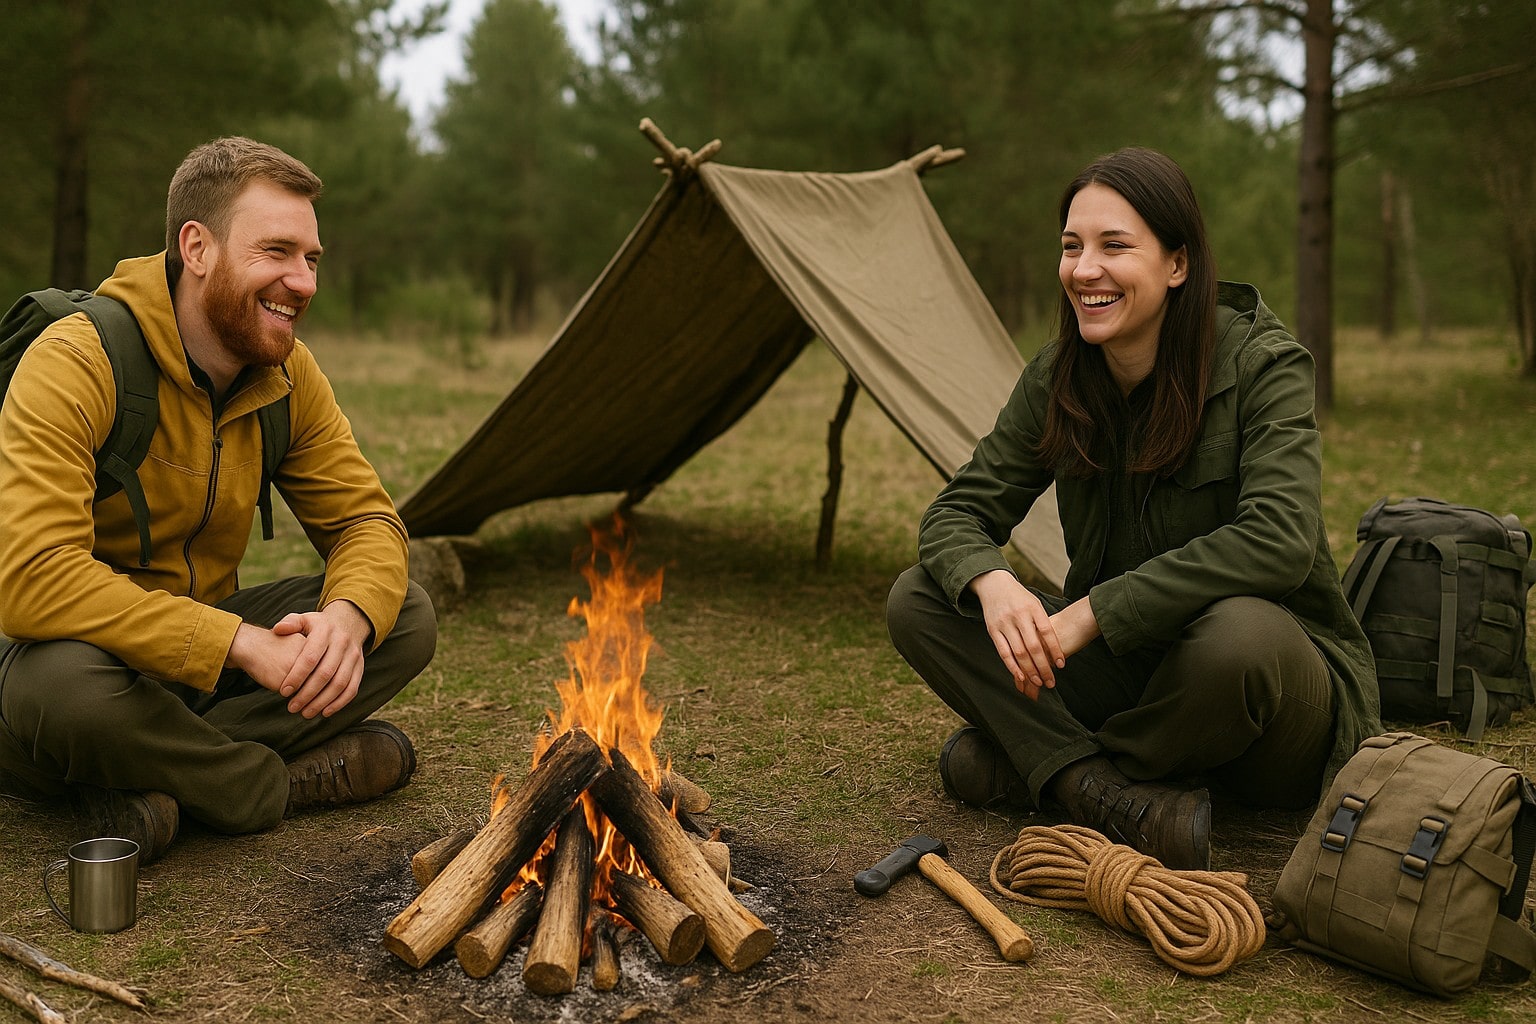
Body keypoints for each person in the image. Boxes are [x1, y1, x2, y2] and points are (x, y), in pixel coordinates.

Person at [885, 146, 1380, 871]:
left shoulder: (1263, 365)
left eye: (1115, 246)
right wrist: (994, 584)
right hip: (1130, 670)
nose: (1086, 269)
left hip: (1268, 694)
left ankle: (1041, 765)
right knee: (920, 596)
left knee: (1236, 637)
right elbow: (957, 512)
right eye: (1071, 247)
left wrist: (1090, 614)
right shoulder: (1059, 376)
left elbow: (1280, 539)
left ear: (1177, 263)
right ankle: (1097, 790)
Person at [0, 137, 437, 864]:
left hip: (193, 676)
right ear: (196, 247)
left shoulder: (287, 375)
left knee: (404, 617)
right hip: (70, 659)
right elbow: (33, 579)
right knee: (64, 692)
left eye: (311, 259)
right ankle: (264, 787)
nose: (303, 282)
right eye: (276, 252)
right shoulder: (78, 359)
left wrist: (345, 616)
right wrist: (237, 643)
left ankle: (148, 781)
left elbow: (367, 521)